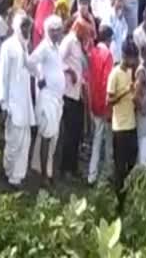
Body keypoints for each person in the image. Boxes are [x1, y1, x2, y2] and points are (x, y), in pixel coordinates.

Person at [0, 14, 36, 189]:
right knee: (13, 141)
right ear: (16, 27)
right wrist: (3, 103)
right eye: (24, 27)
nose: (27, 31)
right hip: (12, 101)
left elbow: (30, 67)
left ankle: (17, 177)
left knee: (25, 140)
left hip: (25, 101)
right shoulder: (8, 46)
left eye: (29, 27)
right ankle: (8, 170)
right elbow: (2, 76)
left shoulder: (24, 46)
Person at [27, 15, 66, 184]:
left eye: (59, 29)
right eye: (56, 30)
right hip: (47, 97)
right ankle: (44, 176)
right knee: (47, 135)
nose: (59, 33)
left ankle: (46, 171)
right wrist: (39, 76)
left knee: (53, 136)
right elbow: (29, 62)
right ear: (50, 31)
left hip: (57, 98)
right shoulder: (44, 47)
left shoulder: (55, 48)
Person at [107, 39, 139, 210]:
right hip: (119, 127)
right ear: (124, 56)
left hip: (131, 125)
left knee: (131, 163)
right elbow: (109, 100)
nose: (132, 62)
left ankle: (127, 196)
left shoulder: (131, 72)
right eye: (130, 58)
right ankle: (119, 201)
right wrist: (125, 91)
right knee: (120, 167)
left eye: (134, 59)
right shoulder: (115, 74)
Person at [59, 17, 92, 180]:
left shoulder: (78, 43)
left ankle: (73, 166)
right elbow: (58, 60)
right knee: (70, 132)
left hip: (78, 91)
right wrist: (69, 71)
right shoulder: (69, 41)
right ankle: (66, 168)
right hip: (69, 93)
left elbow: (81, 65)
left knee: (78, 131)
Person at [87, 24, 115, 185]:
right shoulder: (107, 55)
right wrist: (108, 107)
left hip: (93, 101)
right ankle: (105, 176)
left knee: (96, 139)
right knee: (107, 140)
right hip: (104, 104)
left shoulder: (93, 52)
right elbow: (107, 82)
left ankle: (91, 174)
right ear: (109, 39)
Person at [105, 0, 128, 64]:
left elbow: (125, 29)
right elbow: (109, 33)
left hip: (120, 48)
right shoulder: (108, 14)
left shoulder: (121, 15)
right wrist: (118, 20)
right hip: (112, 49)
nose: (119, 1)